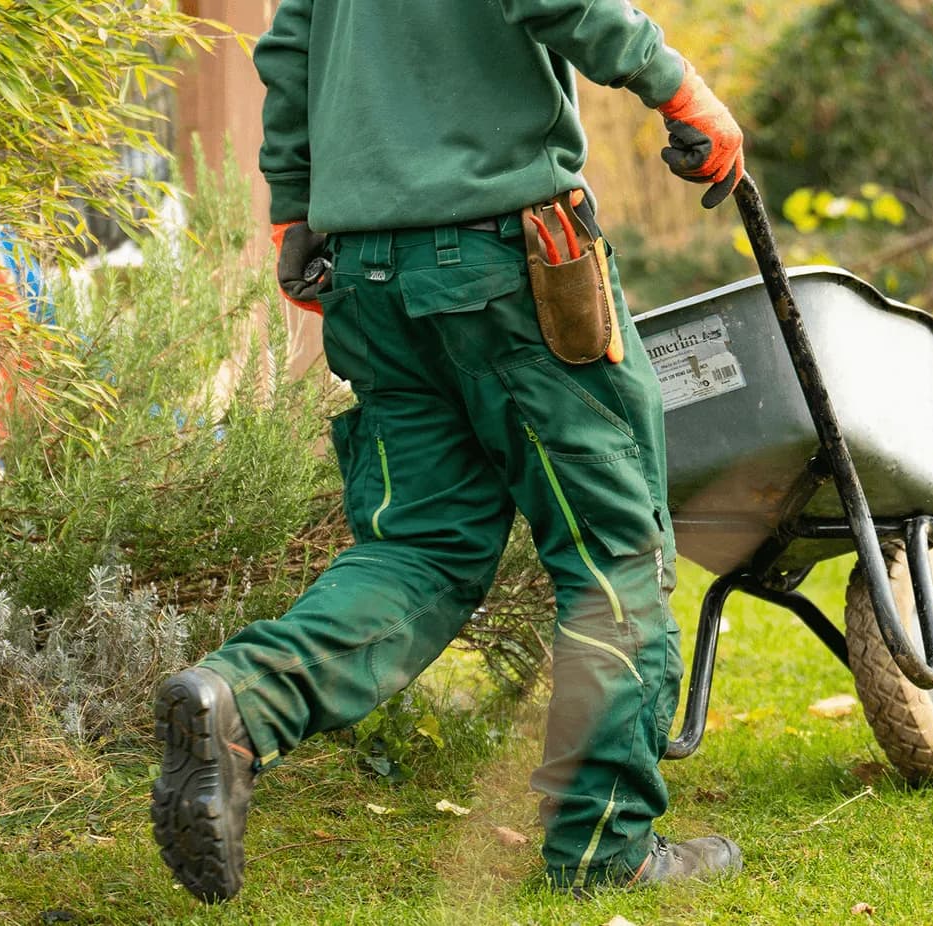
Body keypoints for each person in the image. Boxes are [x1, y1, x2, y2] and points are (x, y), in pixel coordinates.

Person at [149, 0, 747, 904]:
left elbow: (290, 45)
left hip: (365, 275)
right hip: (510, 258)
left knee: (420, 547)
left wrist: (296, 209)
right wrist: (678, 87)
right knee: (613, 553)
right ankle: (603, 851)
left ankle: (242, 701)